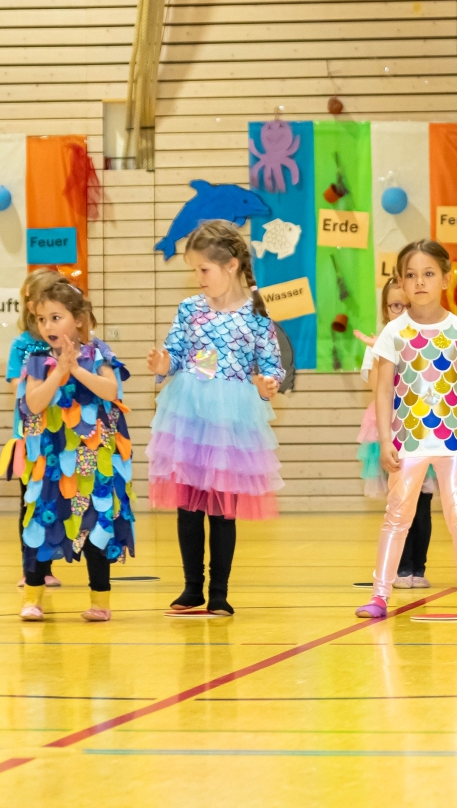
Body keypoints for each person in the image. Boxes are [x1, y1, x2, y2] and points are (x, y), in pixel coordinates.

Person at [148, 220, 285, 616]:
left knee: (223, 508)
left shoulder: (256, 315)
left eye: (203, 269)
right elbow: (176, 353)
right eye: (195, 270)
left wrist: (268, 384)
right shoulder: (190, 309)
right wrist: (163, 362)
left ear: (231, 265)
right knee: (188, 506)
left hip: (230, 420)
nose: (199, 277)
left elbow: (271, 366)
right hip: (189, 414)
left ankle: (219, 593)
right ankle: (192, 588)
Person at [356, 240, 457, 620]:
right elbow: (383, 390)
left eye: (428, 274)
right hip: (408, 440)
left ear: (445, 279)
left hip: (452, 440)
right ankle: (380, 595)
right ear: (400, 281)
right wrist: (385, 439)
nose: (419, 282)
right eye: (411, 275)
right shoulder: (394, 333)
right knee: (397, 515)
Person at [17, 280, 134, 622]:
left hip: (93, 458)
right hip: (52, 457)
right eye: (41, 320)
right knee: (42, 521)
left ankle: (100, 600)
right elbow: (33, 403)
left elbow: (110, 391)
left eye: (56, 317)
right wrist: (59, 372)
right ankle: (33, 598)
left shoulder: (99, 354)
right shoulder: (37, 358)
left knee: (96, 521)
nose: (47, 326)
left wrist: (77, 369)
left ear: (79, 319)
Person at [356, 277, 434, 587]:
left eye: (407, 305)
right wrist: (381, 353)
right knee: (399, 501)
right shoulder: (379, 344)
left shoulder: (429, 340)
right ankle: (401, 568)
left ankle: (418, 568)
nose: (401, 311)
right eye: (395, 306)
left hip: (422, 427)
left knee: (423, 503)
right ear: (386, 310)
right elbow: (379, 389)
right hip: (390, 428)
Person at [1, 269, 64, 589]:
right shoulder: (23, 345)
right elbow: (18, 385)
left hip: (63, 435)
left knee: (57, 500)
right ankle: (33, 569)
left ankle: (49, 564)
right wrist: (43, 382)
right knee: (31, 502)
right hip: (30, 436)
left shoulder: (68, 342)